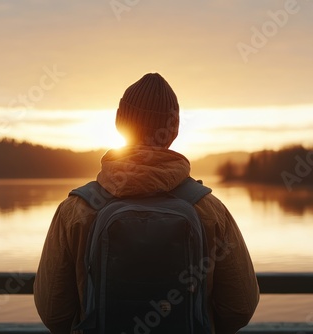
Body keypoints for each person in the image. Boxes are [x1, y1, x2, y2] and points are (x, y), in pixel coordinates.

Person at [34, 73, 260, 334]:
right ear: (174, 129)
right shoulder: (209, 210)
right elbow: (240, 307)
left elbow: (53, 312)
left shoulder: (76, 210)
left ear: (119, 122)